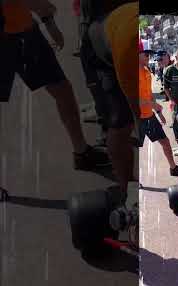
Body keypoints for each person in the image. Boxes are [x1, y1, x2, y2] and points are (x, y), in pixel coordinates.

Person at [1, 0, 111, 170]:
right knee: (62, 91)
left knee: (62, 90)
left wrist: (47, 19)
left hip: (26, 30)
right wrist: (44, 13)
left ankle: (81, 153)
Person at [84, 1, 139, 198]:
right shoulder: (128, 49)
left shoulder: (139, 33)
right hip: (99, 56)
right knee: (121, 124)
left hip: (117, 29)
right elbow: (135, 107)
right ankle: (126, 191)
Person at [138, 40, 178, 177]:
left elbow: (149, 94)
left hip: (149, 116)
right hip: (136, 119)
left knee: (165, 142)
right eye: (145, 54)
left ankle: (173, 168)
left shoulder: (147, 71)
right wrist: (153, 105)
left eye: (149, 54)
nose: (149, 57)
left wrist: (158, 112)